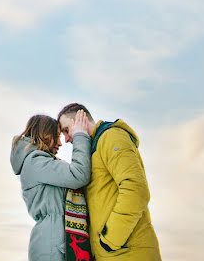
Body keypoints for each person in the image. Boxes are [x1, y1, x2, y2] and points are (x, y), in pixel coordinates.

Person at [57, 104, 161, 260]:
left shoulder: (111, 136)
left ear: (80, 119)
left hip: (129, 253)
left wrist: (110, 240)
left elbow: (135, 190)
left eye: (66, 130)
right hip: (112, 254)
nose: (66, 139)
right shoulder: (92, 151)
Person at [10, 111, 93, 261]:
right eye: (56, 137)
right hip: (51, 245)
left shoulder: (39, 163)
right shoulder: (36, 163)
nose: (60, 143)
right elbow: (78, 174)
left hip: (52, 240)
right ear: (45, 134)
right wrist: (80, 136)